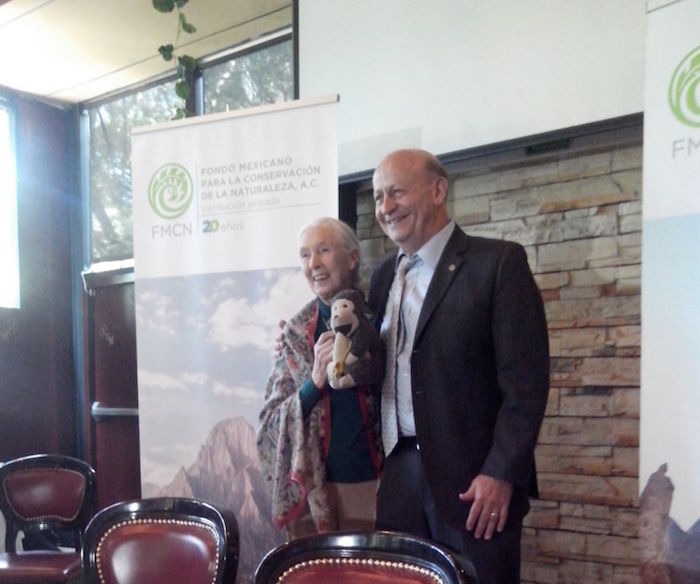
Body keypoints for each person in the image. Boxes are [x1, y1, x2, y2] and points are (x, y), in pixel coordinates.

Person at [368, 149, 550, 584]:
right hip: (399, 480)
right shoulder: (380, 279)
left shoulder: (498, 264)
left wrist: (501, 472)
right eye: (377, 197)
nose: (385, 207)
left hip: (475, 485)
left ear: (438, 189)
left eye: (396, 192)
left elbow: (526, 385)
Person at [257, 217, 383, 539]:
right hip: (312, 494)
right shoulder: (295, 335)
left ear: (352, 257)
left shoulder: (382, 317)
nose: (314, 264)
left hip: (375, 486)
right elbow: (269, 422)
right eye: (304, 255)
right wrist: (313, 383)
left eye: (323, 250)